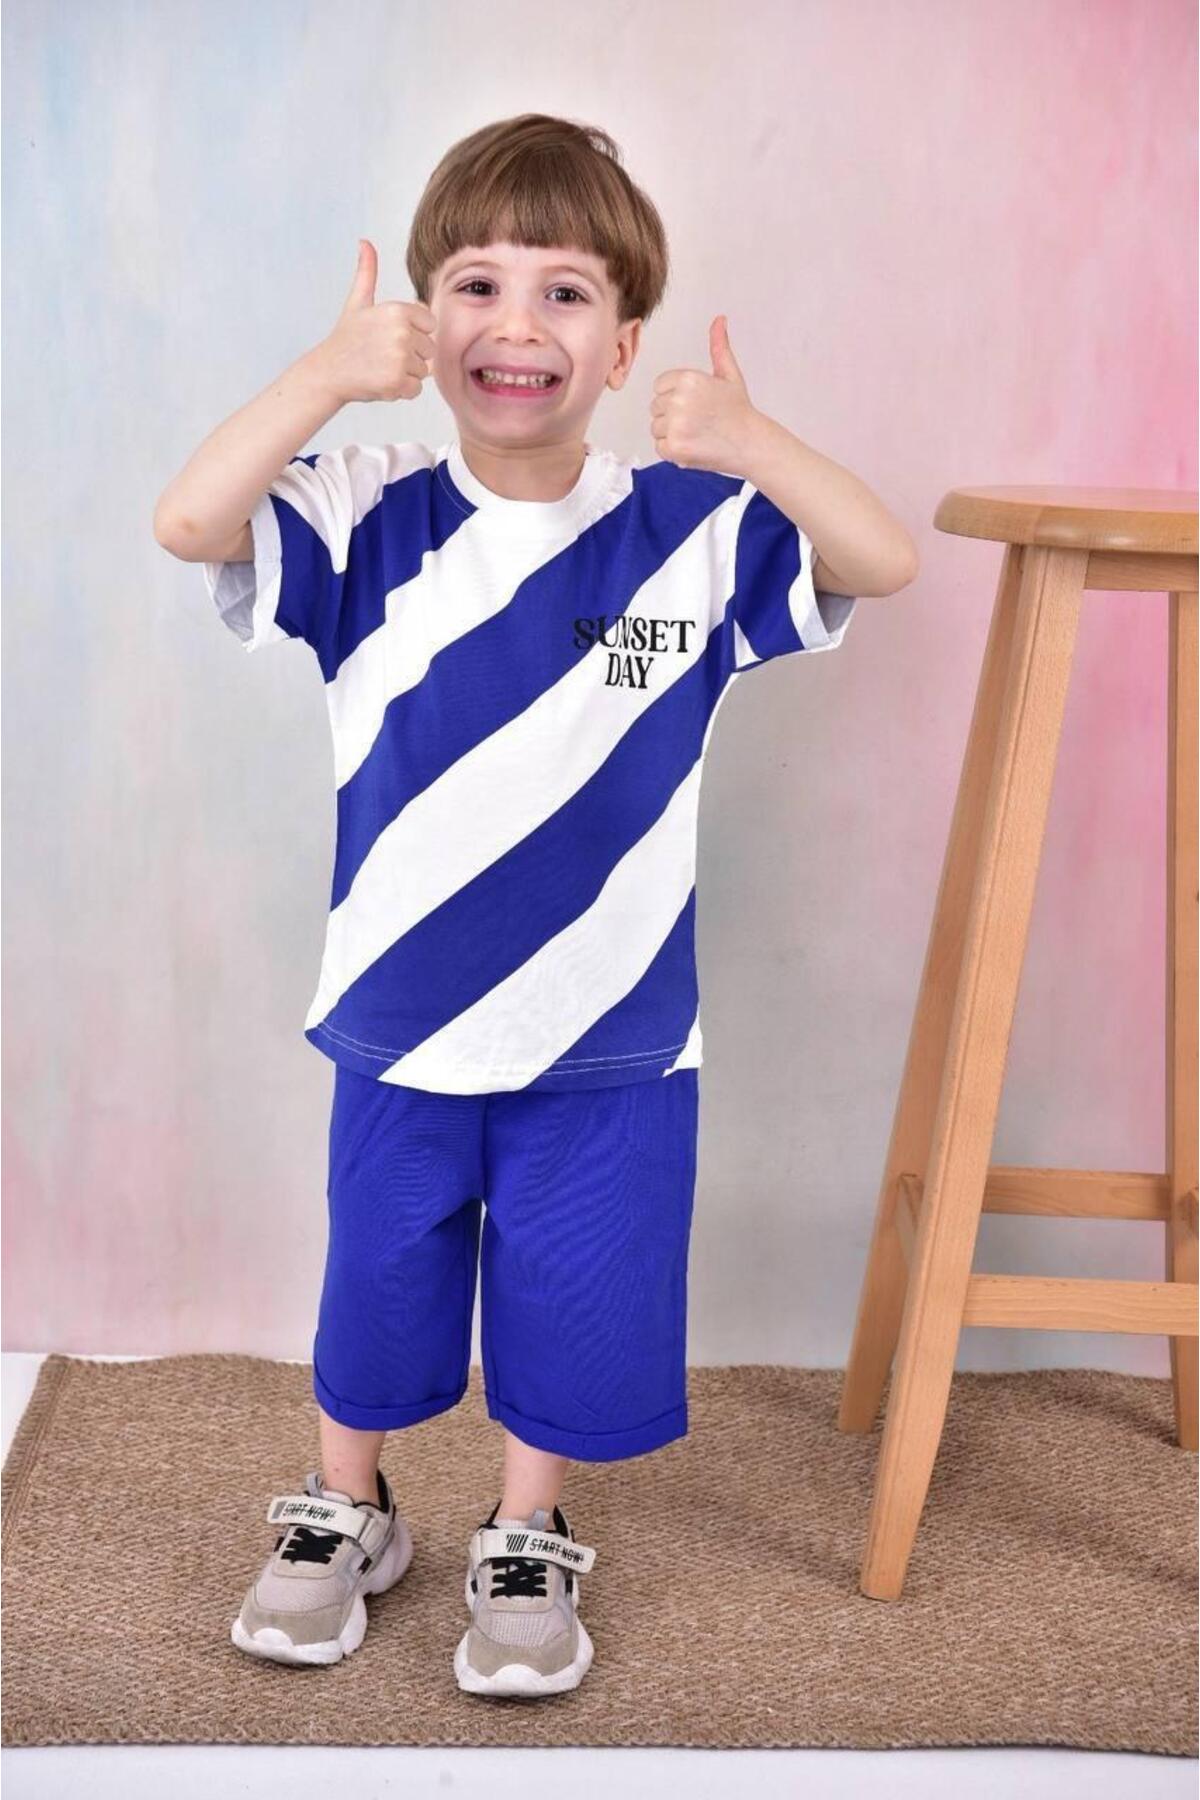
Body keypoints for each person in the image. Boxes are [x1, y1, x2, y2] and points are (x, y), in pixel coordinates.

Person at [153, 111, 918, 1697]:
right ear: (427, 321)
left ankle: (523, 1530)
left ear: (624, 345)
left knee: (571, 1300)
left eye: (566, 292)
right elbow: (190, 522)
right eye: (480, 285)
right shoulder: (363, 508)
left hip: (611, 1034)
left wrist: (754, 442)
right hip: (401, 1021)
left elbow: (882, 558)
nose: (519, 323)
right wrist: (322, 377)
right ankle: (347, 1506)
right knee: (377, 1284)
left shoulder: (689, 531)